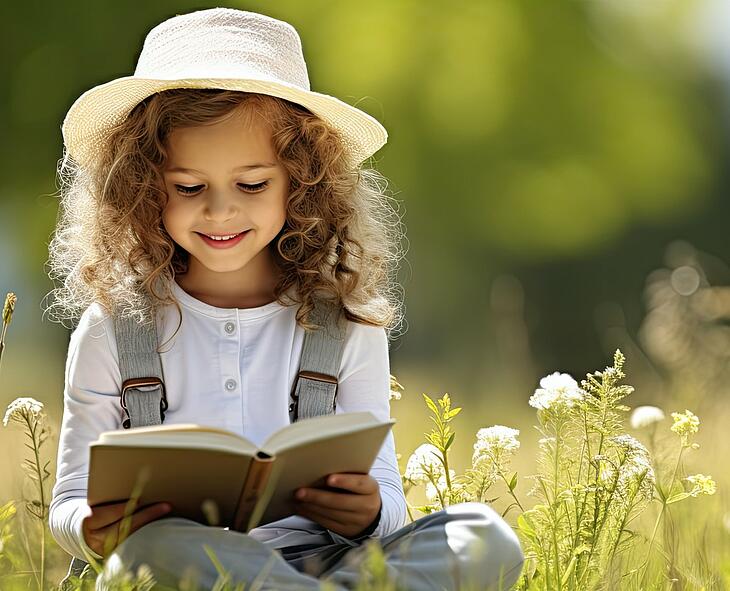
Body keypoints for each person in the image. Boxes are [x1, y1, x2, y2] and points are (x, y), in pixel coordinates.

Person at [47, 7, 524, 590]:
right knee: (149, 558)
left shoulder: (346, 324)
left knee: (481, 535)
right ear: (144, 187)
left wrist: (367, 513)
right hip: (188, 565)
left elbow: (389, 502)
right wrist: (92, 529)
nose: (221, 211)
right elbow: (69, 503)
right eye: (190, 187)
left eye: (251, 185)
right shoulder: (112, 328)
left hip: (324, 562)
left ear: (302, 182)